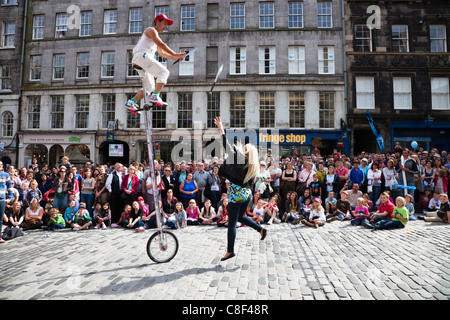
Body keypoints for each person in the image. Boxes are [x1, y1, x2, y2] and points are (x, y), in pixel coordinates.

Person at [214, 116, 267, 262]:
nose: (242, 149)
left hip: (237, 194)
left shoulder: (239, 158)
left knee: (232, 224)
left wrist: (221, 128)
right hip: (247, 194)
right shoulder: (252, 165)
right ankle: (260, 229)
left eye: (244, 148)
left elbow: (227, 146)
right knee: (240, 217)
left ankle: (230, 251)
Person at [124, 13, 187, 111]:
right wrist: (176, 54)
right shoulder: (151, 30)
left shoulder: (154, 38)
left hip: (139, 62)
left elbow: (162, 53)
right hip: (142, 57)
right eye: (164, 23)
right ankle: (155, 96)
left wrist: (175, 58)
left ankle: (131, 103)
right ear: (158, 22)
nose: (166, 27)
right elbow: (161, 44)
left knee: (150, 87)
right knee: (164, 72)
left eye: (167, 25)